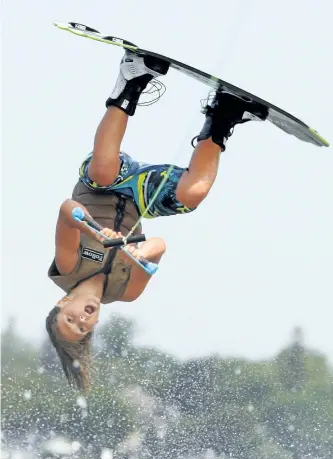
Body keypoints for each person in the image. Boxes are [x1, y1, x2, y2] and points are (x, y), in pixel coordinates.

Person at [46, 51, 267, 390]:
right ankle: (224, 113)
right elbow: (160, 246)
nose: (83, 319)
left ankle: (131, 79)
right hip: (141, 195)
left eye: (71, 319)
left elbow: (66, 209)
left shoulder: (68, 267)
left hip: (102, 179)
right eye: (84, 327)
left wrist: (90, 227)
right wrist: (140, 254)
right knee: (193, 194)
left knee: (103, 169)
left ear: (63, 302)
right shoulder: (126, 292)